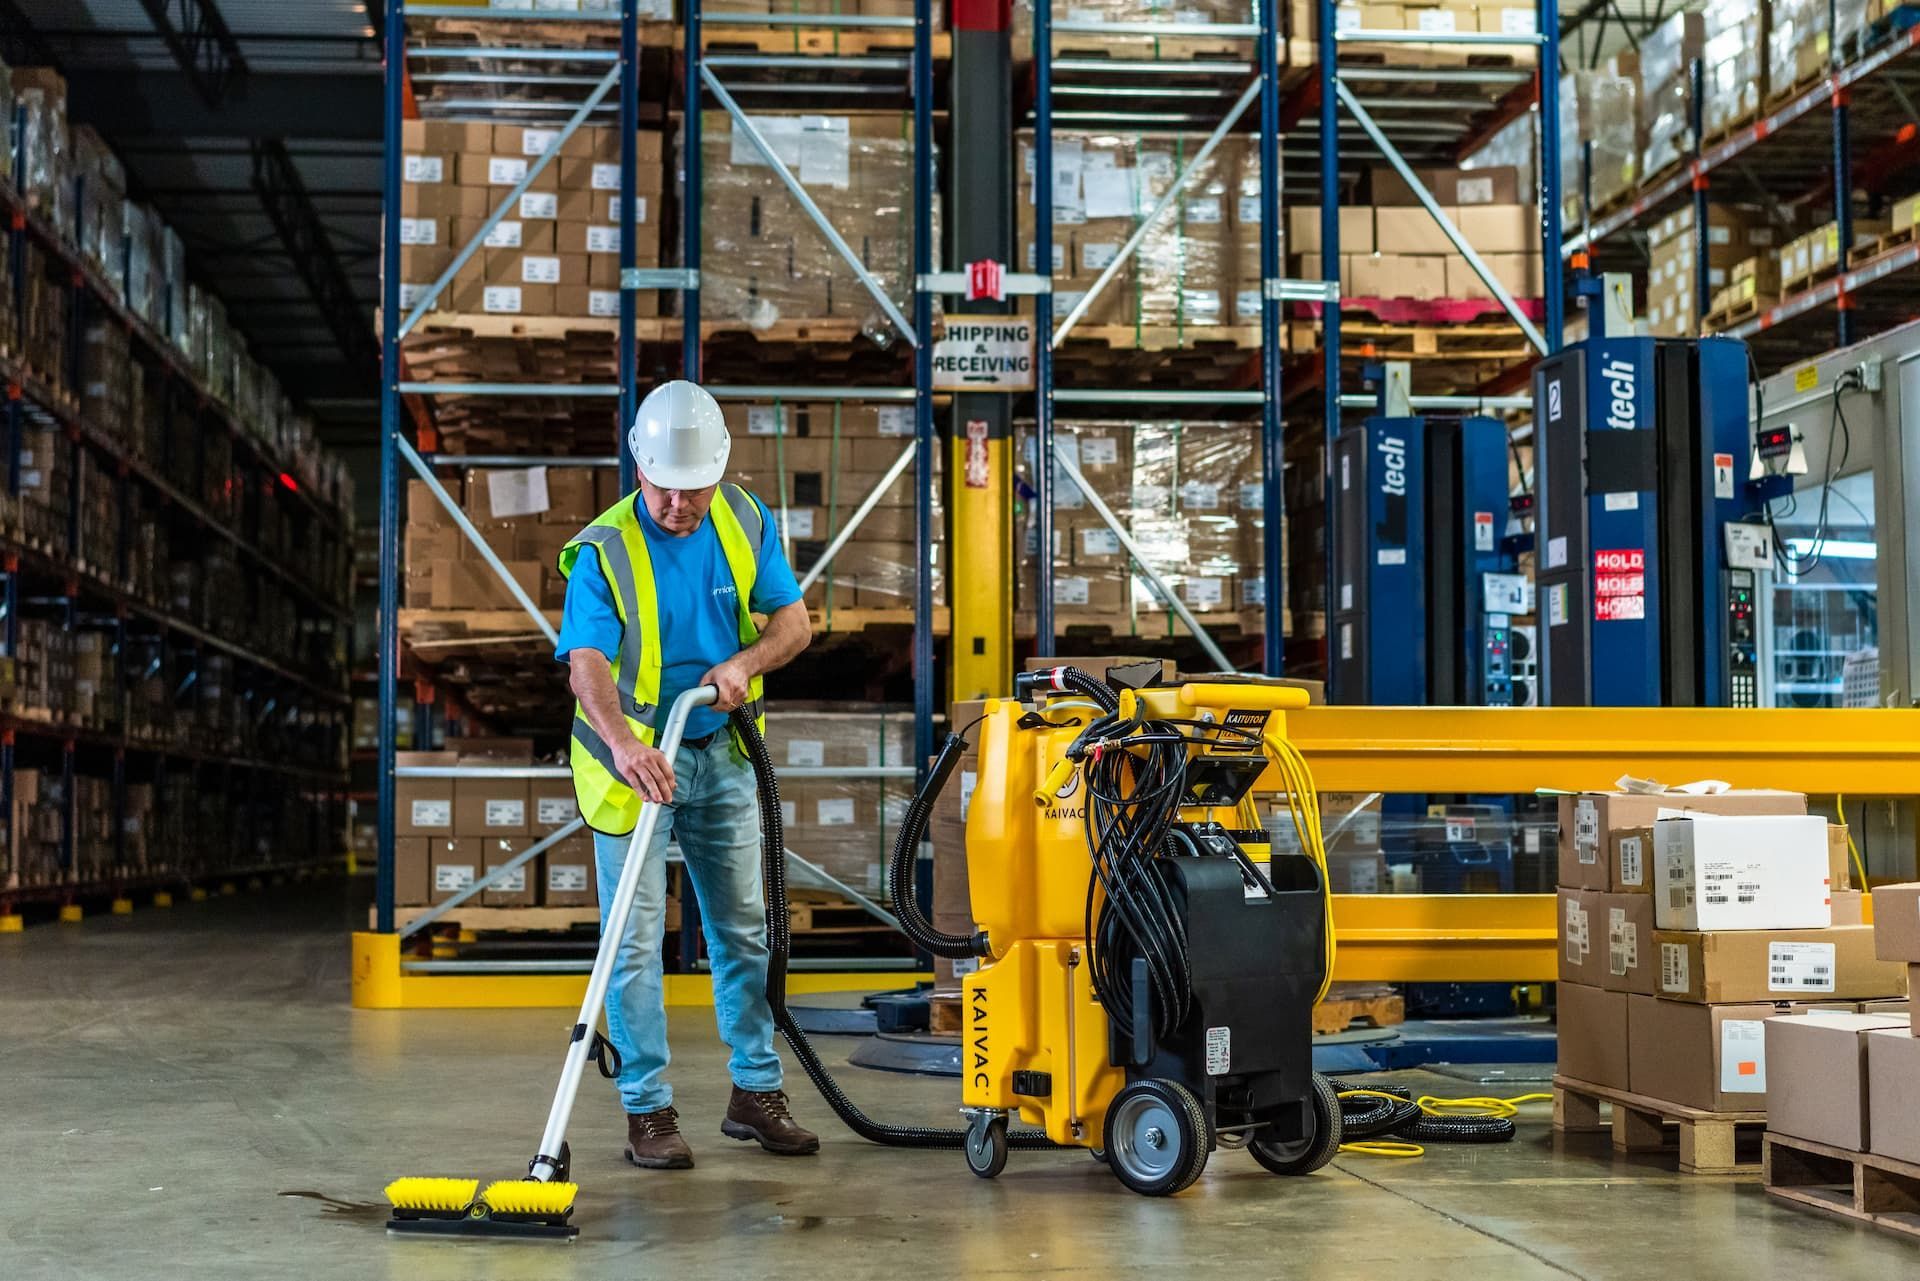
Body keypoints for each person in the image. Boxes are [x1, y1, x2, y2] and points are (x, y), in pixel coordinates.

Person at [554, 379, 817, 1169]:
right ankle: (648, 1108)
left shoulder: (743, 518)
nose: (680, 504)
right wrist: (627, 746)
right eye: (666, 488)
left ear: (718, 472)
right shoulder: (604, 549)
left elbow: (794, 622)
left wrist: (747, 660)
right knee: (632, 945)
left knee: (745, 927)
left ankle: (756, 1089)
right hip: (632, 766)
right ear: (640, 471)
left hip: (723, 751)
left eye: (694, 488)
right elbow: (587, 665)